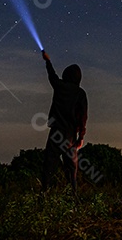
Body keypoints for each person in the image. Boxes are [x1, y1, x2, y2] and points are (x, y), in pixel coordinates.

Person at [41, 49, 88, 191]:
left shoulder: (60, 86)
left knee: (49, 165)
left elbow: (52, 76)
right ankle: (73, 197)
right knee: (71, 170)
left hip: (57, 132)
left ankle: (44, 194)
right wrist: (81, 136)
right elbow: (83, 116)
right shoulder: (80, 93)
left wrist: (47, 61)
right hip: (71, 136)